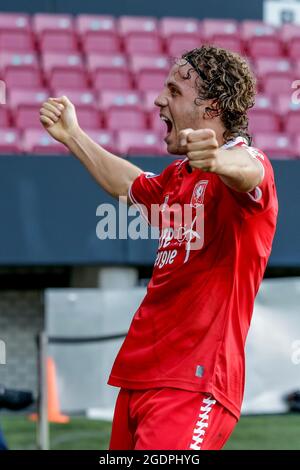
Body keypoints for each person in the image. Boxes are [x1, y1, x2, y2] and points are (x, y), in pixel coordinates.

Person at [40, 45, 278, 450]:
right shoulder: (177, 179)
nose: (158, 100)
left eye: (174, 90)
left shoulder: (242, 163)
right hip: (140, 380)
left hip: (193, 384)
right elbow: (126, 184)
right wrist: (74, 137)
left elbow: (251, 173)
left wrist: (218, 160)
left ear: (211, 107)